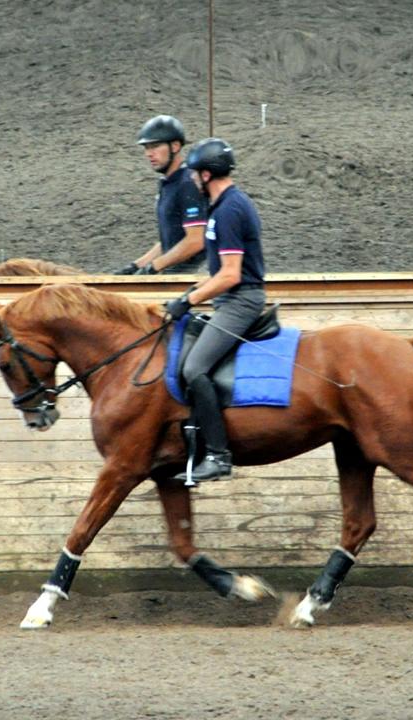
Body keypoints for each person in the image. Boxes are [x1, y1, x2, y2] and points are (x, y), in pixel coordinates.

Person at [164, 138, 266, 483]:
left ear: (206, 174)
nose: (192, 180)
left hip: (241, 301)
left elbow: (231, 274)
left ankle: (219, 456)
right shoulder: (224, 207)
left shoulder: (228, 211)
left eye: (195, 174)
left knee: (194, 368)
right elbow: (218, 273)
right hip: (229, 299)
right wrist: (192, 292)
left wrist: (188, 301)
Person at [114, 115, 208, 275]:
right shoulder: (168, 184)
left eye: (155, 146)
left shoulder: (188, 183)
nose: (149, 154)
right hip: (174, 272)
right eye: (146, 148)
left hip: (192, 276)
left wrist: (154, 267)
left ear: (175, 146)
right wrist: (136, 266)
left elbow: (196, 241)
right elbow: (170, 240)